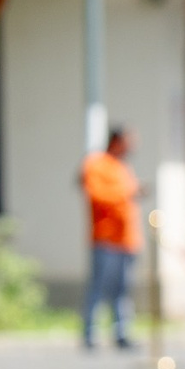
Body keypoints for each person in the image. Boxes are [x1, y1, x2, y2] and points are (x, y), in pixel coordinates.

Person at [79, 127, 142, 351]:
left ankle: (122, 333)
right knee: (99, 287)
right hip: (105, 238)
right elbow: (96, 195)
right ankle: (90, 333)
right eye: (129, 141)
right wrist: (124, 194)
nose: (132, 147)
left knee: (122, 289)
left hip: (126, 239)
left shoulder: (123, 167)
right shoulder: (96, 164)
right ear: (117, 141)